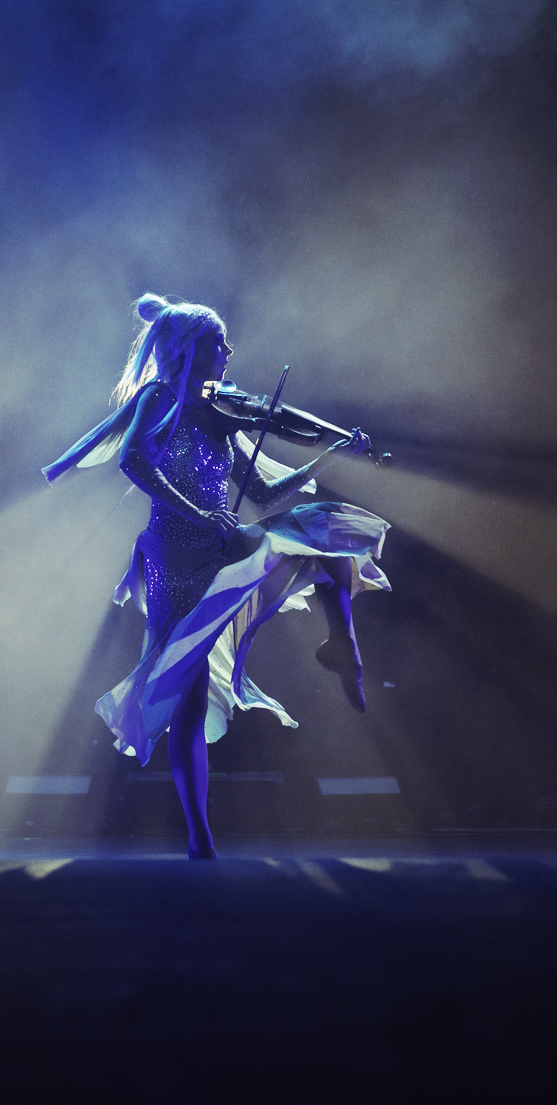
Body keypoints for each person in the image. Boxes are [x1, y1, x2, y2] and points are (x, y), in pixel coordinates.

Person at [43, 294, 390, 859]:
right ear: (188, 350)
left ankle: (342, 645)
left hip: (220, 548)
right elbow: (133, 459)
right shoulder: (159, 398)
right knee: (188, 695)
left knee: (324, 527)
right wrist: (200, 513)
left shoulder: (222, 415)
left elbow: (267, 493)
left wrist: (331, 456)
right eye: (217, 341)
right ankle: (199, 836)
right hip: (172, 560)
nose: (228, 350)